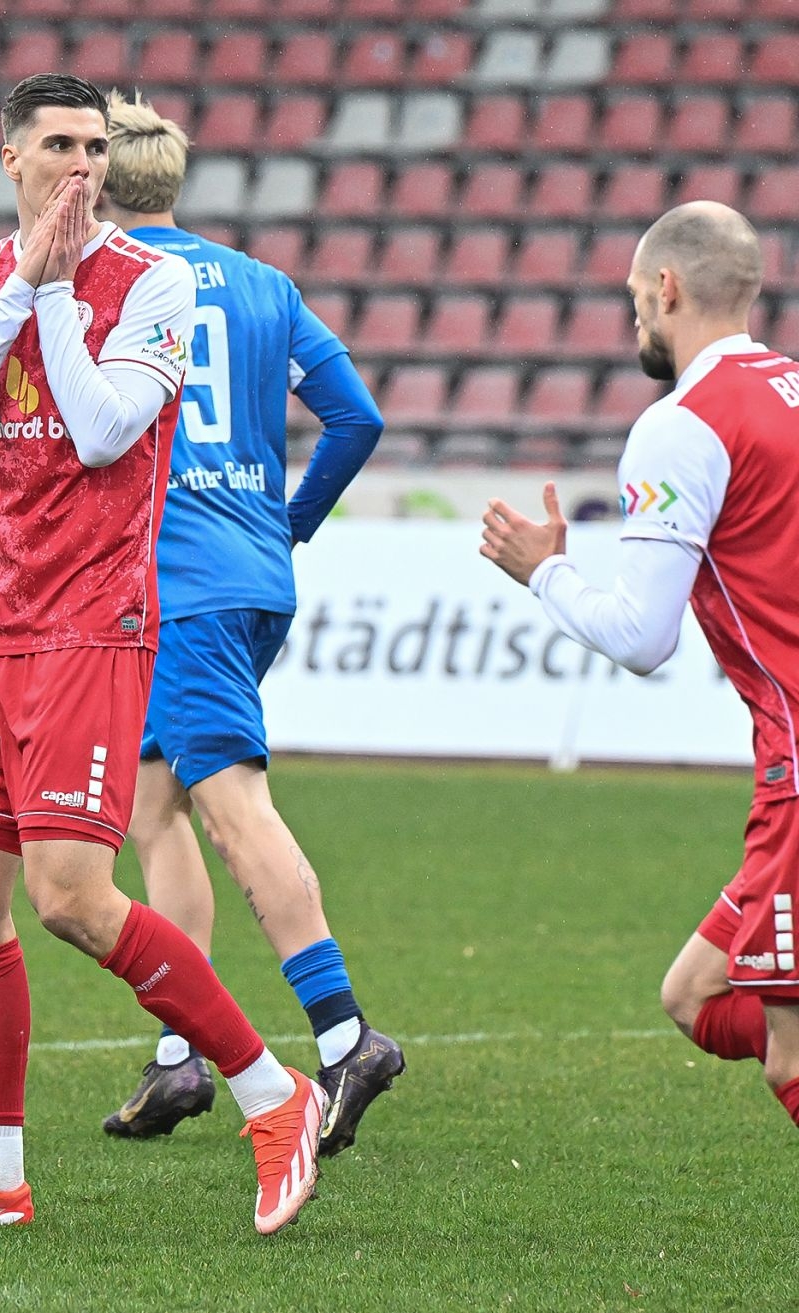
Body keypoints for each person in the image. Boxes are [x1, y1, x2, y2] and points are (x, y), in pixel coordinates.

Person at [0, 75, 327, 1236]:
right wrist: (26, 279)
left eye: (94, 144)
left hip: (92, 624)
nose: (81, 163)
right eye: (57, 143)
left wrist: (57, 292)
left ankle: (276, 1094)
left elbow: (108, 427)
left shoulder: (152, 283)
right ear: (9, 158)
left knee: (70, 896)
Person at [91, 92, 402, 1155]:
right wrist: (286, 524)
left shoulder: (114, 283)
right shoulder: (265, 283)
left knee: (228, 808)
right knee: (154, 805)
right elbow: (356, 415)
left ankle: (344, 1032)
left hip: (176, 585)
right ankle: (182, 1055)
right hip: (252, 573)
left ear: (94, 184)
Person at [481, 200, 799, 1131]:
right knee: (696, 993)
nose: (634, 319)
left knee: (789, 1050)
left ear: (667, 288)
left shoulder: (683, 423)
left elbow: (641, 636)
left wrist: (545, 572)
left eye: (634, 297)